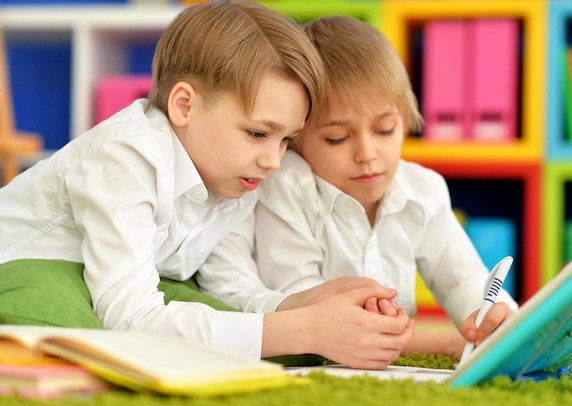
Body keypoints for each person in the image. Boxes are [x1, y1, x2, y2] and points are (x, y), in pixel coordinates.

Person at [0, 1, 414, 370]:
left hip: (133, 286)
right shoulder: (126, 158)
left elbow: (231, 288)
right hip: (27, 271)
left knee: (277, 337)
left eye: (286, 139)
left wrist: (304, 306)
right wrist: (300, 329)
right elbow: (129, 316)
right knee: (68, 323)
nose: (274, 160)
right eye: (257, 133)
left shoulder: (232, 177)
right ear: (185, 105)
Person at [250, 15, 519, 358]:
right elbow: (300, 305)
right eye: (337, 138)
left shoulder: (424, 189)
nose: (366, 154)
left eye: (384, 131)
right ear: (297, 140)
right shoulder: (287, 187)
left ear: (405, 122)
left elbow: (463, 279)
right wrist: (441, 344)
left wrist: (493, 319)